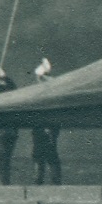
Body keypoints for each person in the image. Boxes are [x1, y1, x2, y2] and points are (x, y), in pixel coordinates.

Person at [29, 57, 64, 185]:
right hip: (44, 126)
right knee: (46, 152)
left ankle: (42, 180)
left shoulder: (44, 90)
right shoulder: (50, 88)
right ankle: (51, 181)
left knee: (44, 153)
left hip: (45, 126)